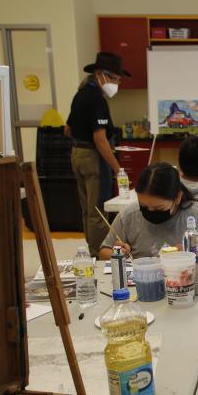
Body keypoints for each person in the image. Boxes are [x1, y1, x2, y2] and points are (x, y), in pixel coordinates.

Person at [97, 162, 198, 260]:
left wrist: (193, 256)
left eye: (159, 208)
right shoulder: (129, 215)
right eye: (143, 206)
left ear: (177, 198)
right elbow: (103, 252)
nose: (150, 211)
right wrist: (117, 254)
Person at [67, 52, 128, 255]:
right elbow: (100, 139)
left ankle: (92, 247)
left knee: (87, 208)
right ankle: (101, 252)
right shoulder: (96, 99)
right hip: (93, 158)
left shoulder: (81, 94)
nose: (116, 84)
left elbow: (68, 129)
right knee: (98, 211)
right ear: (101, 74)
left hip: (77, 155)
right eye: (115, 79)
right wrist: (118, 169)